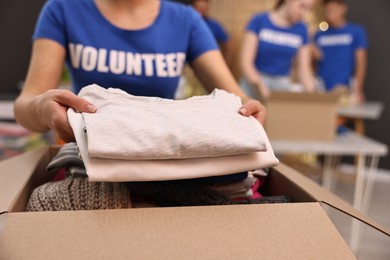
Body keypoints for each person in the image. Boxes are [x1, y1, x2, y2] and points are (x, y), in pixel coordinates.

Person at [14, 0, 265, 143]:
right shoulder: (63, 9)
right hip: (91, 153)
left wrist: (249, 110)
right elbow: (26, 105)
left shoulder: (186, 21)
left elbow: (237, 100)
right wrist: (42, 109)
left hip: (163, 155)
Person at [239, 0, 316, 101]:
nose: (304, 13)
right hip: (254, 83)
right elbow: (246, 63)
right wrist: (261, 88)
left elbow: (304, 70)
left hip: (281, 86)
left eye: (308, 8)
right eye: (302, 6)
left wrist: (313, 96)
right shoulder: (259, 21)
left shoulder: (302, 29)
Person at [313, 0, 367, 104]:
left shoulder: (356, 32)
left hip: (345, 88)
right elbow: (314, 62)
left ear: (343, 8)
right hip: (321, 88)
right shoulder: (318, 35)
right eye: (328, 11)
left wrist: (358, 89)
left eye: (334, 10)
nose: (330, 14)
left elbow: (361, 63)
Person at [191, 0, 233, 65]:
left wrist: (225, 64)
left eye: (203, 7)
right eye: (199, 7)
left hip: (209, 63)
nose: (201, 10)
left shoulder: (214, 25)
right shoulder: (187, 23)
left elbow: (228, 44)